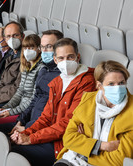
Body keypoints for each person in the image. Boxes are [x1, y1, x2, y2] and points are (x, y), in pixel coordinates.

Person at [10, 38, 97, 166]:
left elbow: (69, 123)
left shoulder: (87, 82)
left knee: (14, 154)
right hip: (50, 137)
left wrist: (31, 139)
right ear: (55, 60)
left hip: (63, 144)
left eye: (70, 57)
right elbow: (45, 118)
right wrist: (24, 133)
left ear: (78, 57)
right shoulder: (57, 82)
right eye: (61, 58)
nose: (66, 61)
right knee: (9, 145)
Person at [55, 60, 133, 166]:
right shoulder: (88, 100)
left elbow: (119, 159)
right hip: (73, 159)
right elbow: (68, 139)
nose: (117, 88)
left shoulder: (131, 111)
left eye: (121, 83)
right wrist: (101, 146)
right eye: (111, 84)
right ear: (99, 86)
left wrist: (84, 147)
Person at [0, 30, 63, 134]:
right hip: (27, 120)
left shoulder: (60, 76)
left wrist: (27, 127)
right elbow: (33, 99)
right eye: (42, 47)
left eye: (49, 46)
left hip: (37, 128)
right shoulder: (44, 70)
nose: (44, 51)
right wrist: (20, 121)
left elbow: (50, 114)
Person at [0, 34, 44, 124]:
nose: (28, 51)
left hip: (26, 112)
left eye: (31, 48)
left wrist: (11, 112)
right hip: (18, 107)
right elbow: (20, 91)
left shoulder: (41, 68)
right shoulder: (26, 66)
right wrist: (7, 106)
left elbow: (32, 99)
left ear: (39, 49)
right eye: (25, 48)